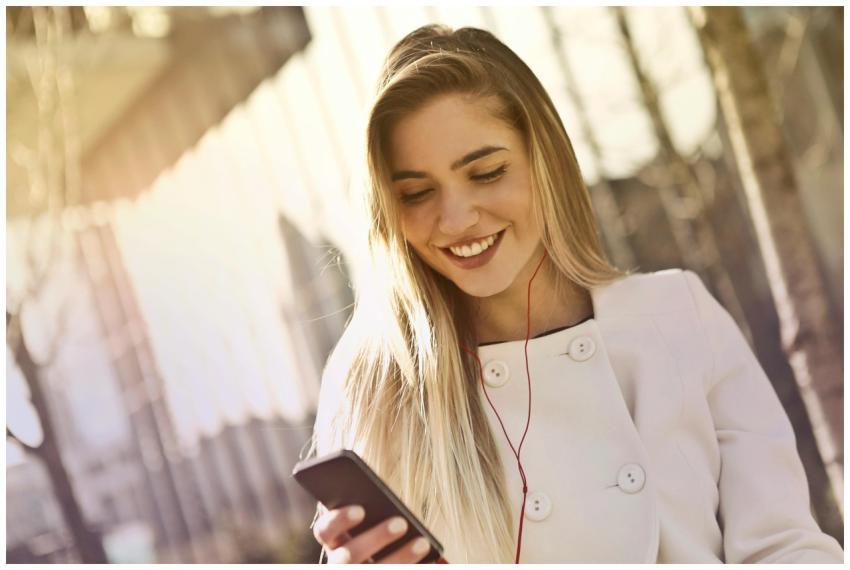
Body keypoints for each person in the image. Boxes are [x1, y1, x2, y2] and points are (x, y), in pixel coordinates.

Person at [305, 24, 844, 564]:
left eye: (487, 173)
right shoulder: (377, 386)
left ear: (546, 162)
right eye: (417, 193)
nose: (456, 218)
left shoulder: (677, 315)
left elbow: (784, 547)